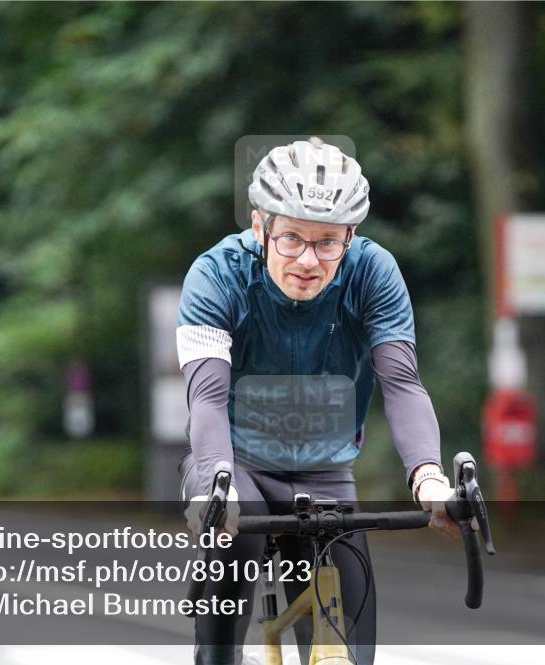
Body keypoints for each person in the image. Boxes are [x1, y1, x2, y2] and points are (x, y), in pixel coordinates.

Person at [176, 137, 457, 665]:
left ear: (351, 236)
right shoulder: (216, 275)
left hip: (325, 472)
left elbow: (401, 382)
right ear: (260, 228)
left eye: (328, 243)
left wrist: (429, 477)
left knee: (351, 650)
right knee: (238, 536)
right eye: (291, 240)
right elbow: (207, 396)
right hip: (235, 464)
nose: (308, 260)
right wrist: (217, 481)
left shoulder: (373, 272)